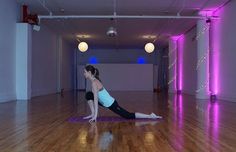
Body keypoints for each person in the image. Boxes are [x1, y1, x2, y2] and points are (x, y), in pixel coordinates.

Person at [83, 65, 162, 122]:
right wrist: (94, 114)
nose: (84, 74)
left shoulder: (94, 83)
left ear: (89, 72)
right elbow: (95, 97)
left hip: (112, 104)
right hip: (104, 103)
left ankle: (150, 116)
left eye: (85, 72)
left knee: (128, 115)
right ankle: (92, 113)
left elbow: (96, 100)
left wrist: (96, 116)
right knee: (88, 95)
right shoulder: (94, 81)